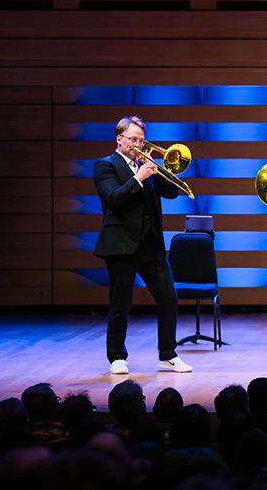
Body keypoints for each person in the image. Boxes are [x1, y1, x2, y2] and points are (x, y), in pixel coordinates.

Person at [93, 116, 191, 375]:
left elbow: (172, 193)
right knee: (121, 302)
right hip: (121, 245)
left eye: (141, 140)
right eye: (133, 139)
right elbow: (114, 199)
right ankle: (116, 356)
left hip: (150, 246)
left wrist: (157, 169)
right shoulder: (105, 166)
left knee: (168, 298)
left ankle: (167, 354)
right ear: (119, 139)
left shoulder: (146, 165)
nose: (138, 145)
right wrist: (138, 178)